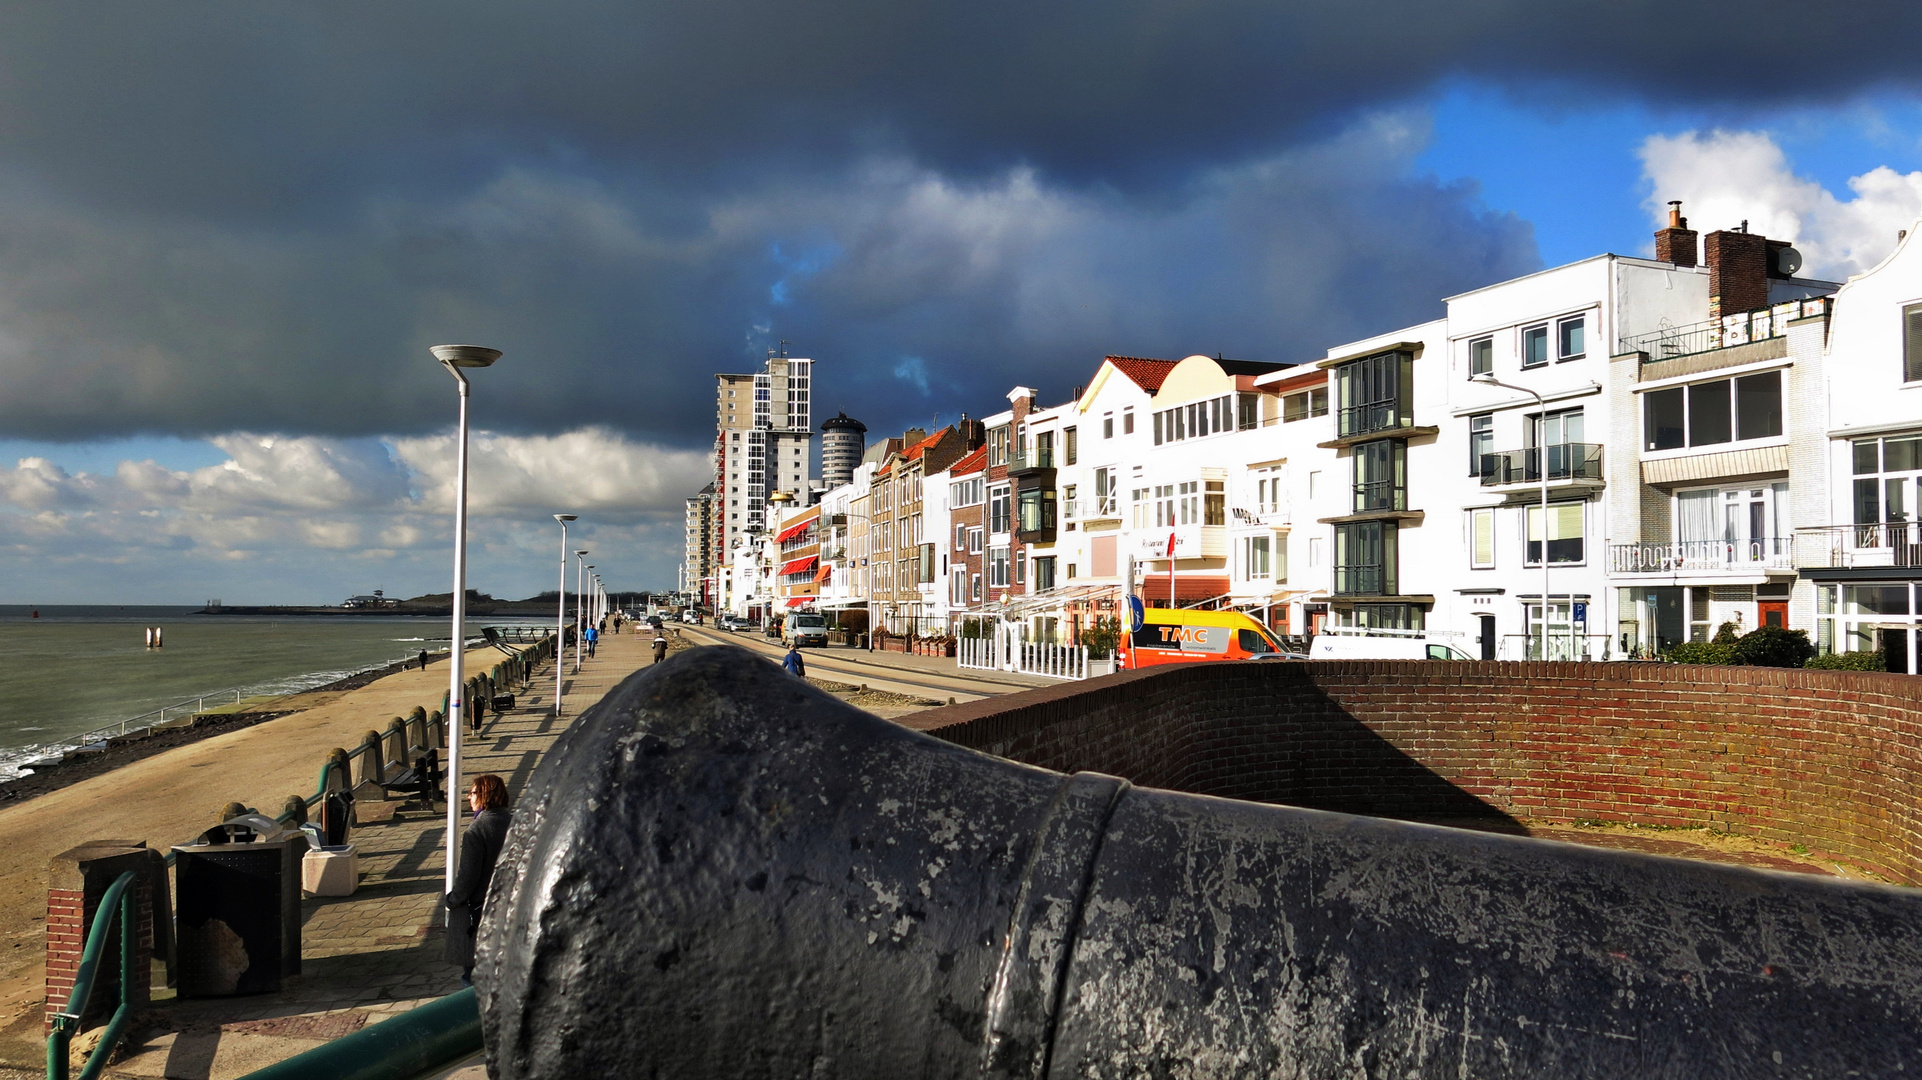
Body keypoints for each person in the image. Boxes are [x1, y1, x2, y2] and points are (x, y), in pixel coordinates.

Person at [445, 773, 512, 986]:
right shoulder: (516, 822)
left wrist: (453, 899)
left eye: (473, 793)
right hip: (510, 906)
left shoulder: (476, 831)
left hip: (480, 911)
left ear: (484, 796)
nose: (468, 797)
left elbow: (468, 876)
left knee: (472, 975)